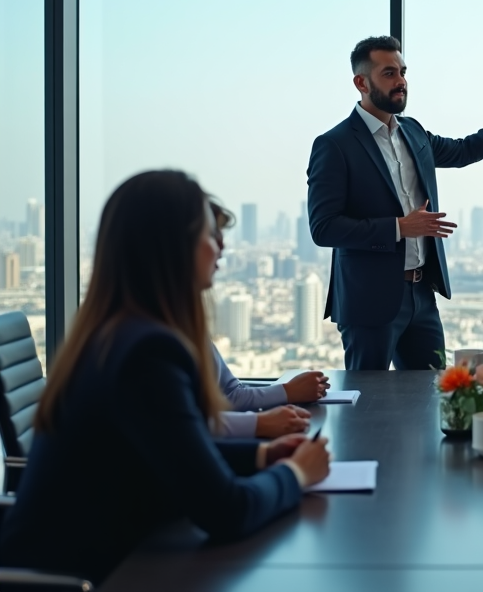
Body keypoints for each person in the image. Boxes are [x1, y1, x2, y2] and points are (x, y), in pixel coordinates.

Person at [0, 171, 330, 583]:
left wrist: (262, 456)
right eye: (210, 233)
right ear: (174, 247)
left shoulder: (114, 334)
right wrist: (297, 474)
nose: (222, 245)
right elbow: (226, 511)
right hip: (84, 578)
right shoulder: (146, 354)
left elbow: (170, 453)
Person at [307, 35, 483, 370]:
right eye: (389, 74)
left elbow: (465, 150)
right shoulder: (334, 145)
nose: (401, 82)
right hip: (369, 303)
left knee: (430, 398)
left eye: (403, 72)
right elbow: (324, 228)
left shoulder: (414, 132)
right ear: (361, 82)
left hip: (422, 295)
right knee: (368, 409)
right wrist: (399, 227)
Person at [207, 200, 329, 438]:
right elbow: (180, 427)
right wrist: (263, 420)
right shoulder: (155, 337)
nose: (222, 246)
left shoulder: (182, 321)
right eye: (210, 235)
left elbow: (230, 393)